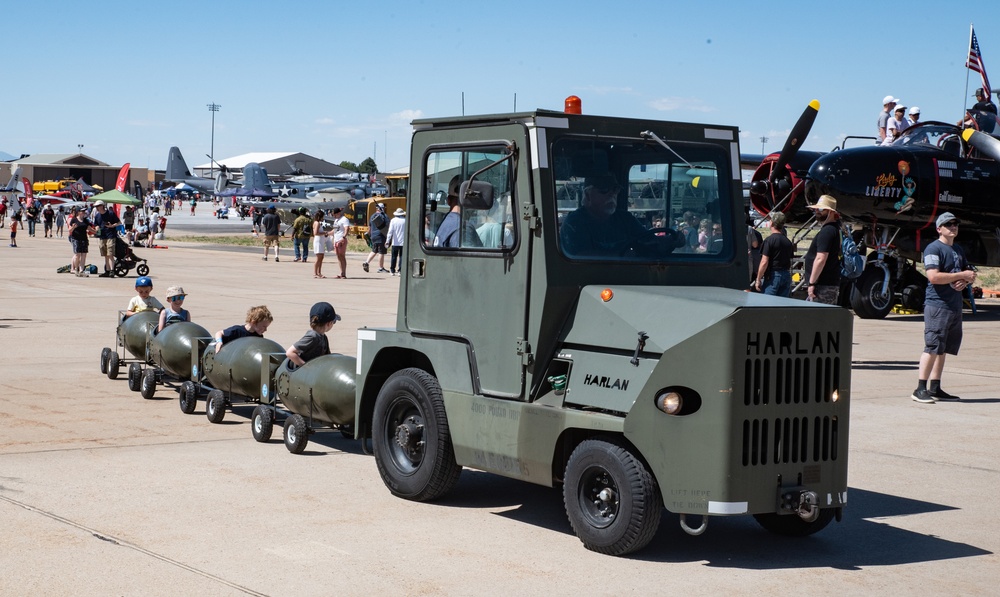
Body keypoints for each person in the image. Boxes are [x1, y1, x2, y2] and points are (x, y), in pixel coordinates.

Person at [911, 212, 977, 403]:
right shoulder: (933, 249)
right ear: (939, 229)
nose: (953, 227)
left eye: (955, 224)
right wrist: (960, 275)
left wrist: (965, 280)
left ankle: (935, 387)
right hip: (938, 306)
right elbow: (933, 276)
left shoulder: (957, 249)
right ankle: (919, 388)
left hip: (954, 306)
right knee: (932, 346)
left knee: (943, 348)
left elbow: (969, 273)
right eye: (948, 224)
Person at [558, 173, 645, 256]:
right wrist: (623, 256)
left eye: (615, 189)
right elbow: (580, 257)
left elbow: (648, 240)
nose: (612, 194)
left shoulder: (626, 219)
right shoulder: (574, 223)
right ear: (588, 195)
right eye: (604, 190)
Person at [803, 195, 843, 305]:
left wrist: (812, 283)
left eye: (820, 209)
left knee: (820, 320)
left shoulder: (827, 231)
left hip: (822, 286)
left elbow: (821, 259)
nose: (817, 211)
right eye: (815, 209)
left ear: (830, 212)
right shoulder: (834, 229)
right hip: (827, 285)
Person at [433, 176, 484, 249]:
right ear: (472, 202)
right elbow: (465, 259)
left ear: (448, 200)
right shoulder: (463, 228)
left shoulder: (446, 222)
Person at [285, 301, 340, 367]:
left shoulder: (323, 337)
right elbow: (290, 353)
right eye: (334, 322)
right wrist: (306, 367)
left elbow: (327, 357)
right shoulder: (312, 336)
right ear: (329, 323)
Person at [754, 211, 795, 297]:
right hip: (786, 274)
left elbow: (764, 261)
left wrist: (758, 279)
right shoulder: (788, 242)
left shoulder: (769, 240)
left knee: (768, 304)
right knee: (782, 305)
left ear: (772, 223)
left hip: (773, 276)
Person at [92, 200, 121, 277]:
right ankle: (107, 271)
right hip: (102, 236)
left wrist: (112, 226)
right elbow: (96, 224)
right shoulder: (97, 215)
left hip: (110, 235)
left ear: (102, 206)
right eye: (96, 207)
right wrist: (97, 228)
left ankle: (112, 270)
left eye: (98, 206)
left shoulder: (110, 213)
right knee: (105, 254)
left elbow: (119, 222)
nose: (97, 208)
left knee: (110, 253)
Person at [362, 203, 389, 273]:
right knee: (381, 252)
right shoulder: (384, 216)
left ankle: (366, 262)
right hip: (381, 236)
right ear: (382, 208)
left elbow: (369, 228)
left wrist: (369, 236)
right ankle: (381, 268)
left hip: (373, 236)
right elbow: (387, 226)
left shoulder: (372, 216)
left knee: (374, 250)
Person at [68, 206, 94, 276]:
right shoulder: (74, 220)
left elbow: (89, 228)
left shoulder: (85, 220)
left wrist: (96, 231)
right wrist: (73, 227)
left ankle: (81, 270)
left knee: (84, 255)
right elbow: (70, 230)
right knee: (77, 255)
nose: (84, 212)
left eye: (84, 211)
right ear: (78, 212)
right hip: (76, 239)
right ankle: (76, 269)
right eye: (82, 211)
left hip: (84, 239)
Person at [386, 207, 406, 276]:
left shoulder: (393, 220)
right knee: (402, 256)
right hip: (403, 242)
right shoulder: (405, 220)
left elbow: (390, 231)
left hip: (395, 242)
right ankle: (400, 270)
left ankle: (392, 270)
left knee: (394, 256)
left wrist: (387, 240)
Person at [311, 210, 331, 278]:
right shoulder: (317, 223)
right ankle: (315, 272)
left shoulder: (317, 223)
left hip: (321, 240)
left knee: (321, 257)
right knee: (318, 257)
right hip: (318, 241)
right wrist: (324, 233)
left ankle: (319, 272)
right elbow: (315, 233)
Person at [331, 206, 350, 278]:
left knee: (342, 256)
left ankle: (344, 273)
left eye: (335, 214)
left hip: (341, 240)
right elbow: (334, 230)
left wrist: (344, 237)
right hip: (336, 240)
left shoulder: (344, 219)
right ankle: (341, 272)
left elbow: (346, 229)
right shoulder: (336, 221)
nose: (334, 216)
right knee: (338, 256)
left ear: (338, 213)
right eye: (333, 215)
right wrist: (327, 234)